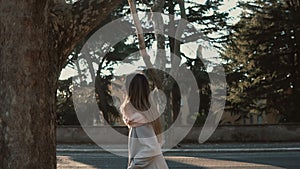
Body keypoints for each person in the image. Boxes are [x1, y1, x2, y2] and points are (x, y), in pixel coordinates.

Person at [120, 73, 169, 169]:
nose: (122, 88)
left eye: (125, 85)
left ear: (132, 90)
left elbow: (151, 148)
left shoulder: (139, 119)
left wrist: (134, 165)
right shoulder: (144, 116)